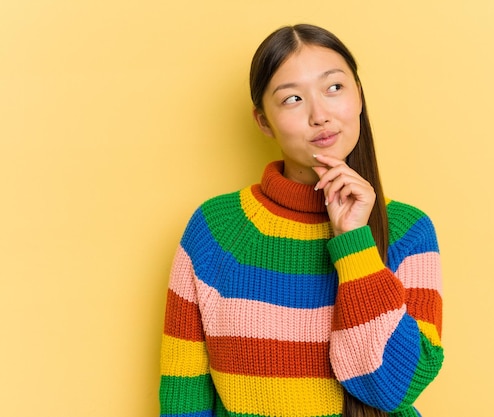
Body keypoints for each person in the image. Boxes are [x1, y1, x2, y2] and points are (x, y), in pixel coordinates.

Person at [159, 24, 444, 417]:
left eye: (334, 88)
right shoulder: (216, 229)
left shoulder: (408, 231)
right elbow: (183, 394)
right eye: (292, 98)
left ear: (359, 95)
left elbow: (394, 391)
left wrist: (356, 243)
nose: (320, 115)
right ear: (263, 122)